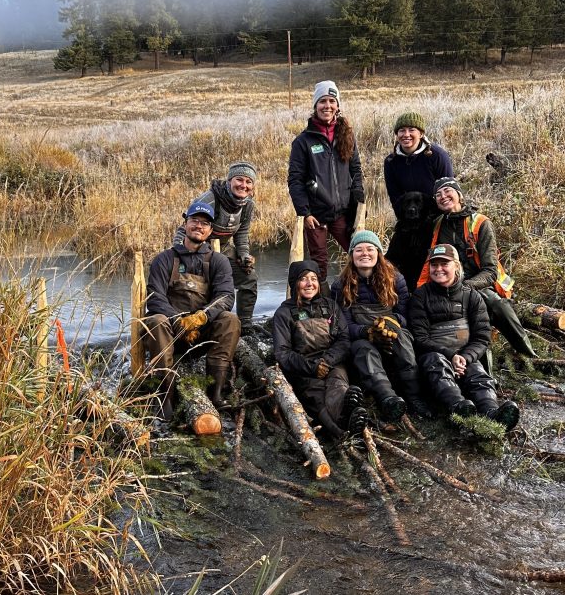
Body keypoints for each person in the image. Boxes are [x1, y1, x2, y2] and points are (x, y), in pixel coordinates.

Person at [416, 177, 538, 358]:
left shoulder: (481, 223)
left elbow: (490, 271)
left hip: (478, 283)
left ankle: (528, 353)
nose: (443, 196)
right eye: (438, 195)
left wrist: (465, 288)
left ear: (459, 195)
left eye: (447, 191)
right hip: (446, 282)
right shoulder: (437, 225)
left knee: (497, 305)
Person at [142, 201, 241, 418]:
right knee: (156, 320)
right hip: (170, 334)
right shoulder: (164, 259)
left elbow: (225, 296)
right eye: (195, 221)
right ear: (185, 224)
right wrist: (179, 321)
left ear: (211, 231)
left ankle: (215, 393)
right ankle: (164, 399)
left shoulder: (219, 261)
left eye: (205, 223)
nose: (199, 226)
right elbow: (155, 297)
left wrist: (201, 318)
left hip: (200, 334)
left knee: (230, 320)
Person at [409, 245, 520, 430]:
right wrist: (451, 355)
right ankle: (459, 408)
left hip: (465, 356)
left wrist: (465, 357)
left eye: (444, 264)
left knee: (478, 374)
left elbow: (482, 337)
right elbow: (420, 339)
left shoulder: (472, 297)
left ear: (456, 266)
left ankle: (492, 413)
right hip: (433, 356)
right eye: (434, 265)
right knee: (437, 365)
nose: (438, 269)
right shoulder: (420, 297)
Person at [332, 230, 432, 420]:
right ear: (352, 255)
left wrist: (392, 323)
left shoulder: (396, 279)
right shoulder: (340, 285)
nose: (365, 254)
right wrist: (367, 332)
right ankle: (388, 398)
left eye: (370, 249)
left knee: (403, 339)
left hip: (394, 333)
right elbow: (343, 326)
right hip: (362, 338)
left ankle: (414, 397)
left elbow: (406, 316)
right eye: (359, 250)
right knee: (363, 350)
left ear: (378, 253)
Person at [273, 260, 368, 439]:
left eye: (314, 278)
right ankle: (342, 429)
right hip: (303, 369)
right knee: (316, 397)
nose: (310, 284)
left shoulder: (331, 306)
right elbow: (282, 353)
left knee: (338, 385)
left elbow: (344, 339)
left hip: (332, 363)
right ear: (295, 283)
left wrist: (327, 361)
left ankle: (348, 410)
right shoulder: (283, 313)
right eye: (303, 279)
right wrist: (312, 367)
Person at [287, 80, 365, 282]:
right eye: (322, 101)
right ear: (315, 106)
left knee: (358, 253)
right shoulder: (303, 142)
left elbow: (356, 170)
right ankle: (321, 302)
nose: (327, 106)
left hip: (343, 213)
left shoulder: (347, 136)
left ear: (337, 106)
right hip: (316, 214)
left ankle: (356, 294)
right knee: (318, 262)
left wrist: (358, 201)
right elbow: (295, 180)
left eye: (332, 101)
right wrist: (304, 212)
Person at [174, 161, 258, 333]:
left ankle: (245, 324)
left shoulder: (248, 205)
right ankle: (196, 325)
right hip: (198, 248)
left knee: (249, 277)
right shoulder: (210, 199)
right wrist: (180, 255)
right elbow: (186, 229)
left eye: (248, 182)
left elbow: (242, 233)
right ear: (229, 181)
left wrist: (244, 255)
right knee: (204, 284)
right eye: (239, 180)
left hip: (225, 248)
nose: (243, 185)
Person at [383, 112, 453, 214]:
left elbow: (449, 190)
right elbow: (395, 198)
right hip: (410, 218)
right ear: (397, 134)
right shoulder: (391, 162)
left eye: (412, 130)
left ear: (421, 134)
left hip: (438, 216)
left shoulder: (437, 156)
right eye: (402, 130)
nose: (406, 135)